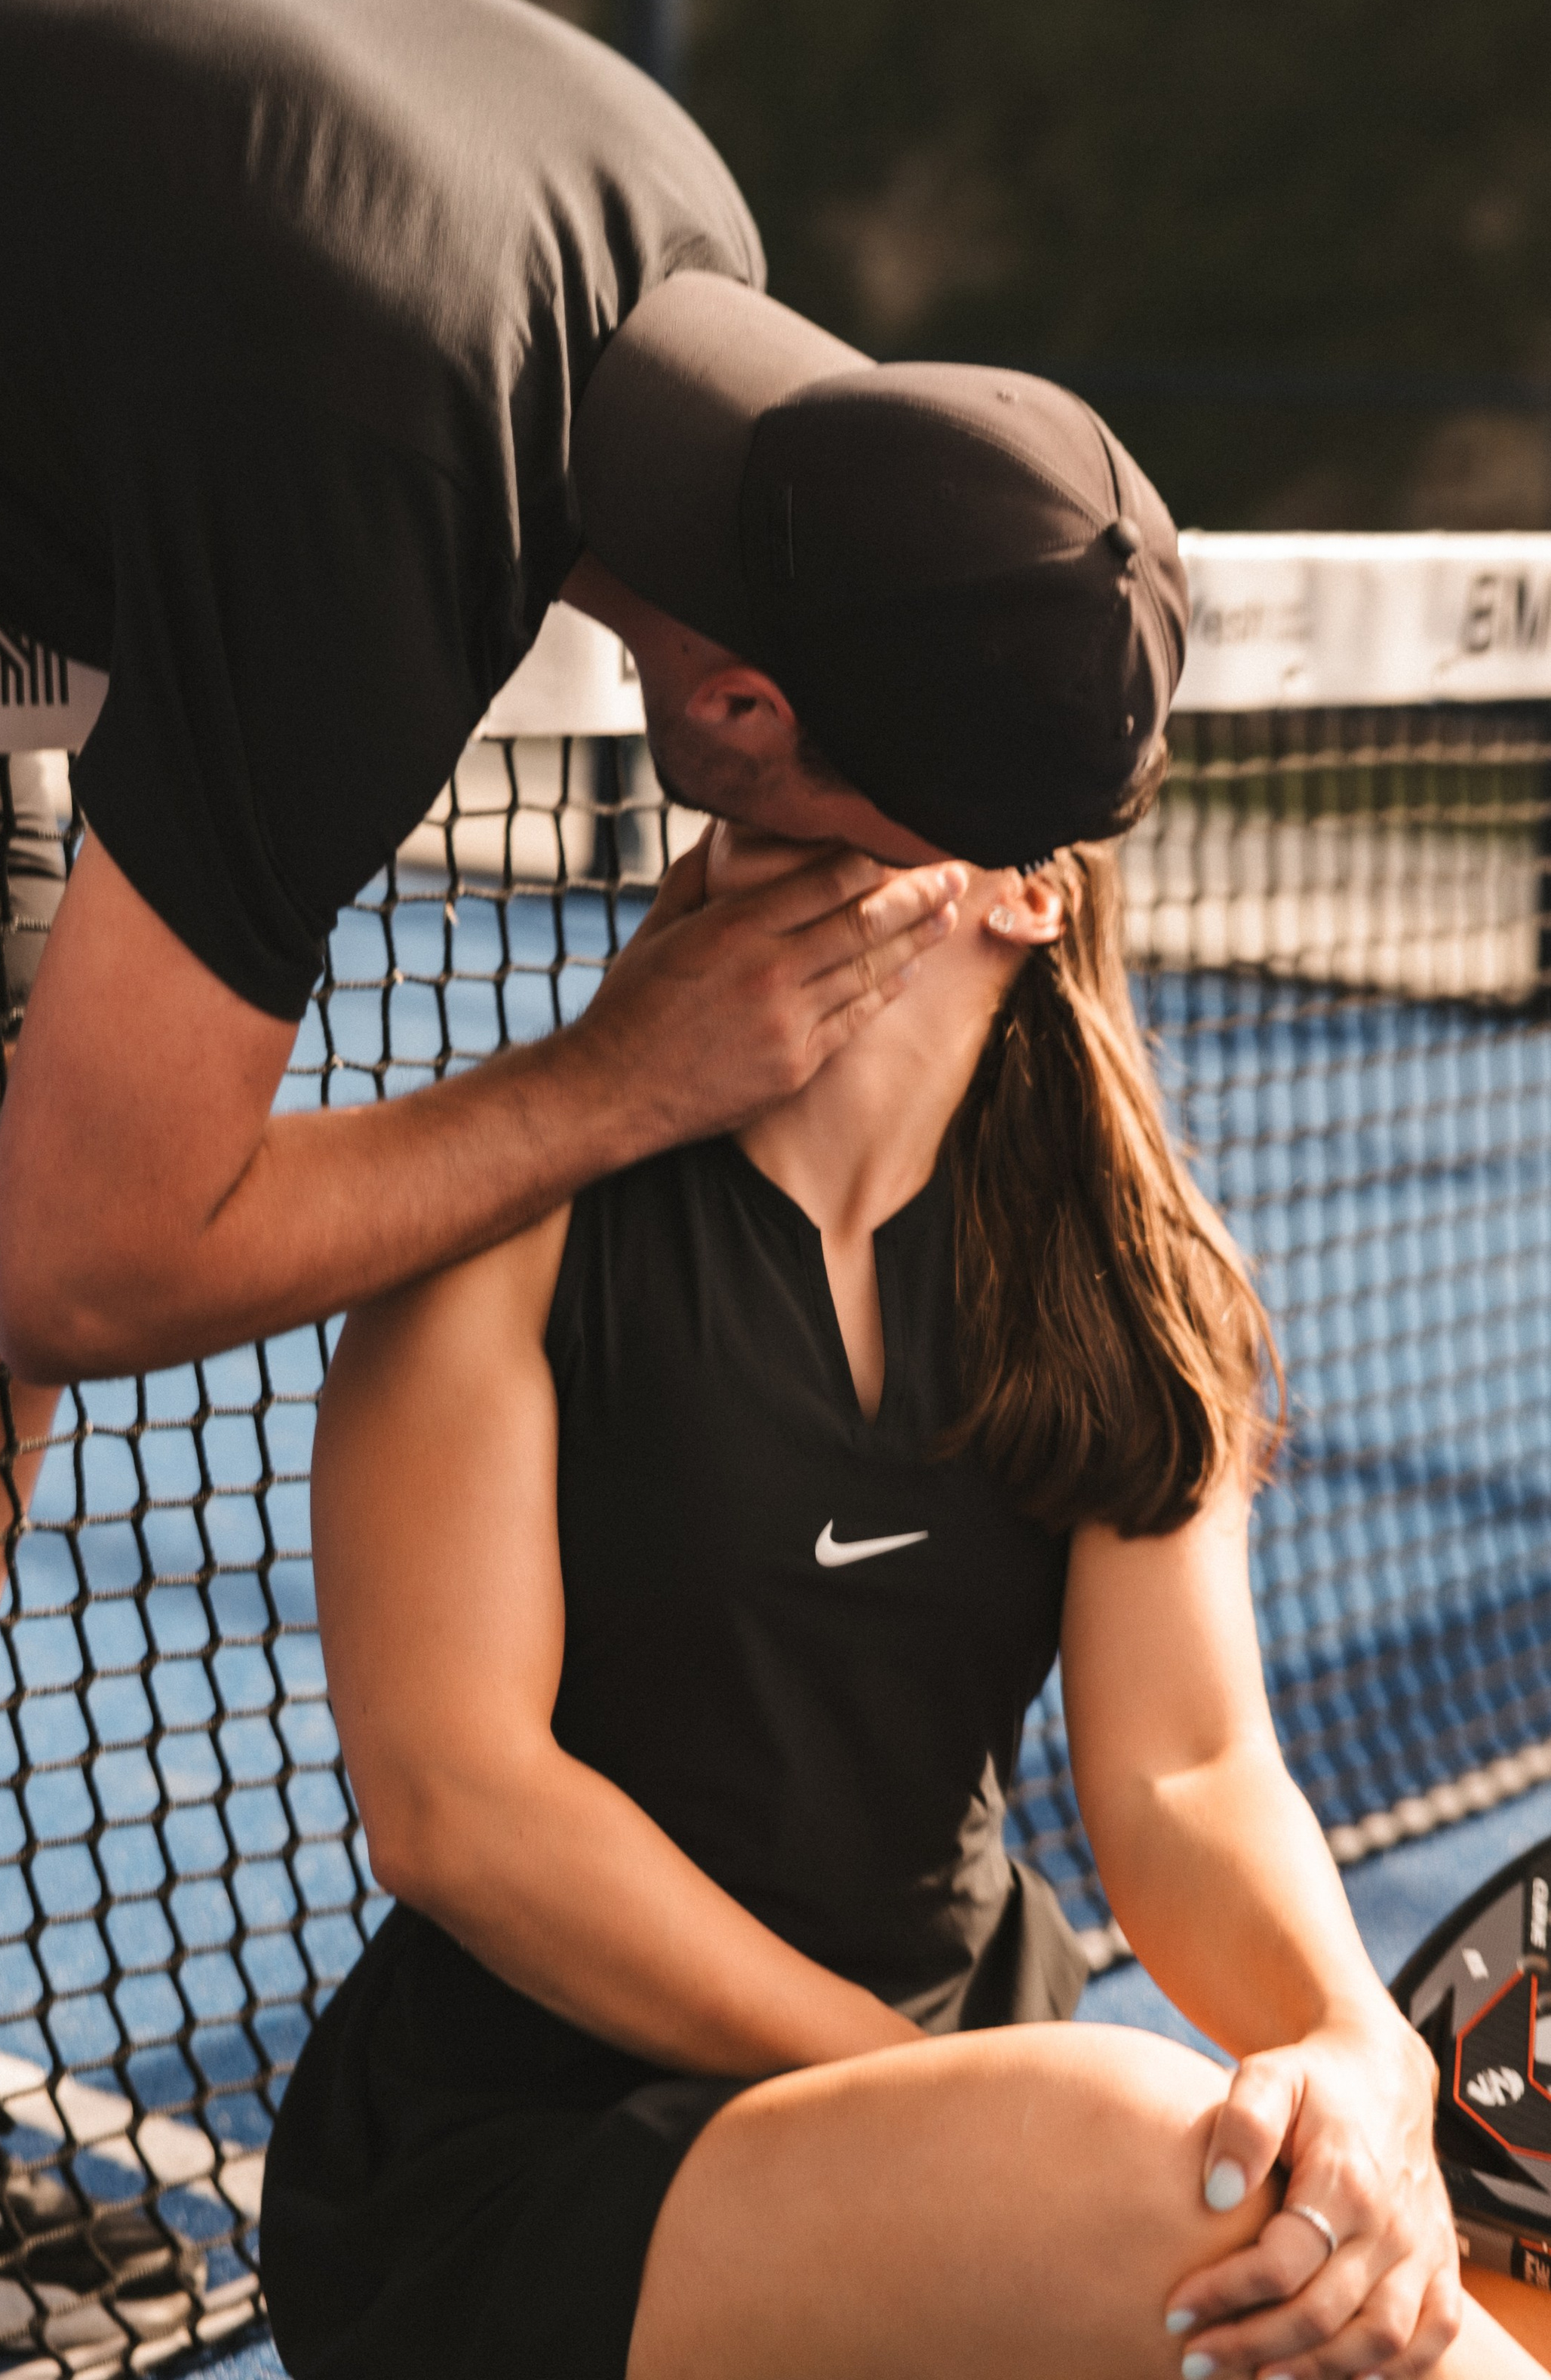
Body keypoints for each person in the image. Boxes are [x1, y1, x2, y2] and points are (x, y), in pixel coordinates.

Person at [0, 0, 1182, 2306]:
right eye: (881, 853)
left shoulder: (678, 249)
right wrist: (620, 1073)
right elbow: (107, 1258)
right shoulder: (378, 475)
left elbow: (15, 1246)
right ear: (742, 713)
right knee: (15, 1235)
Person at [253, 810, 1541, 2380]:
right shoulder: (512, 1215)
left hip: (971, 2078)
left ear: (1026, 885)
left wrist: (1356, 2043)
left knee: (1323, 2224)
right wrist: (919, 2086)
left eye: (869, 754)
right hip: (532, 2152)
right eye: (763, 753)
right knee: (1195, 2190)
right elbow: (457, 1804)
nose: (771, 778)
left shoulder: (1127, 1280)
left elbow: (1185, 1772)